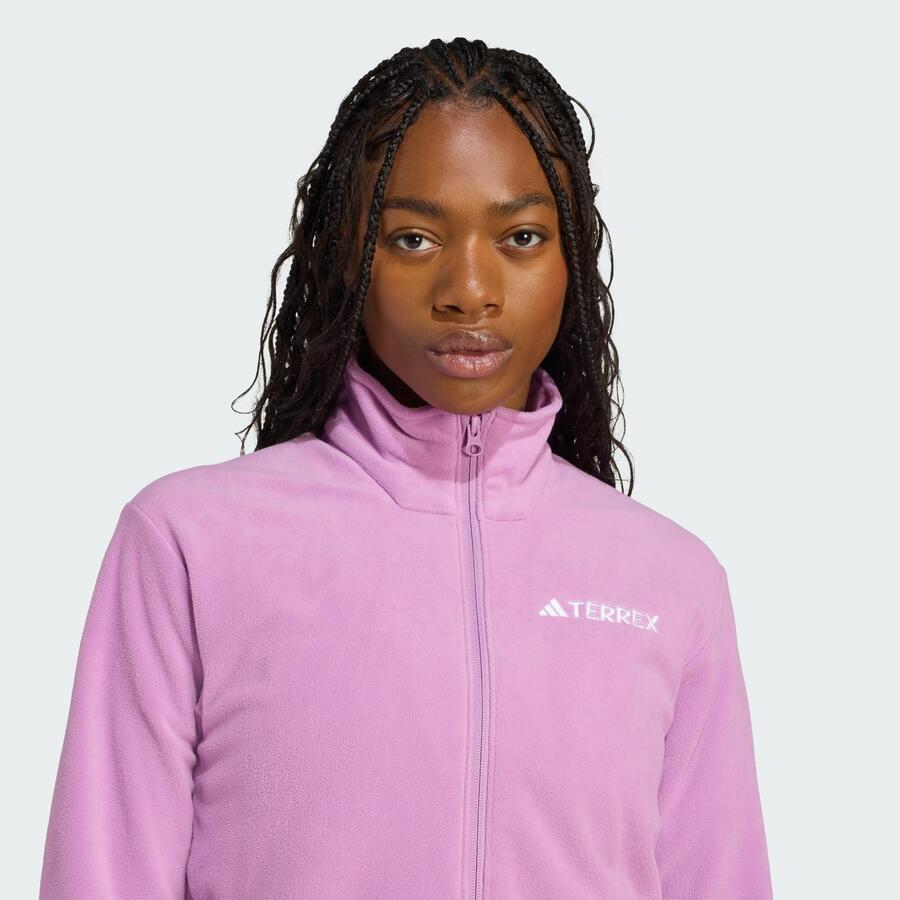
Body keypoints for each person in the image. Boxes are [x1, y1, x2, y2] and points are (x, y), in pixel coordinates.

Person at [39, 36, 773, 900]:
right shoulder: (190, 545)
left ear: (570, 258)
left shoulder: (670, 579)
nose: (469, 289)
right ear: (347, 255)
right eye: (415, 238)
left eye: (522, 236)